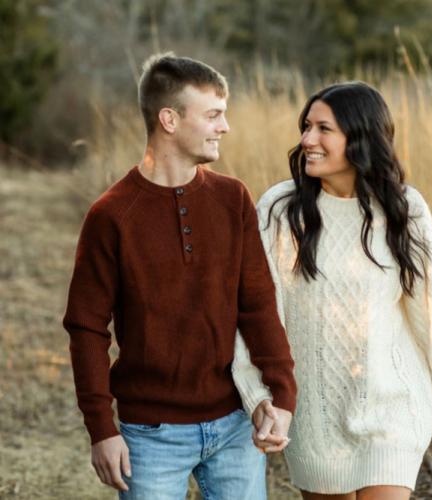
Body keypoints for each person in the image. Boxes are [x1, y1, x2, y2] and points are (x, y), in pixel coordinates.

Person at [233, 81, 432, 500]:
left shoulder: (404, 208)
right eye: (306, 127)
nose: (307, 140)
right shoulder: (281, 210)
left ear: (360, 137)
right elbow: (256, 311)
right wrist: (257, 394)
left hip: (392, 412)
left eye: (323, 129)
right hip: (315, 416)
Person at [63, 52, 297, 499]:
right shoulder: (111, 215)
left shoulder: (233, 198)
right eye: (212, 115)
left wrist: (282, 395)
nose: (225, 126)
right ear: (169, 119)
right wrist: (101, 429)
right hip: (151, 435)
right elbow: (86, 327)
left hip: (236, 425)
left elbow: (258, 304)